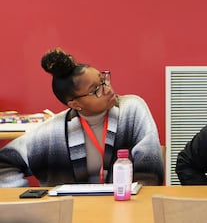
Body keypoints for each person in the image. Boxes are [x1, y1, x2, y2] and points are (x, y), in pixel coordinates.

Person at [0, 48, 164, 187]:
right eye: (95, 90)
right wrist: (23, 193)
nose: (107, 89)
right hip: (70, 213)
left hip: (126, 207)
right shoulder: (53, 132)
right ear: (75, 104)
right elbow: (4, 163)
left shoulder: (132, 110)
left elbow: (150, 170)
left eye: (104, 80)